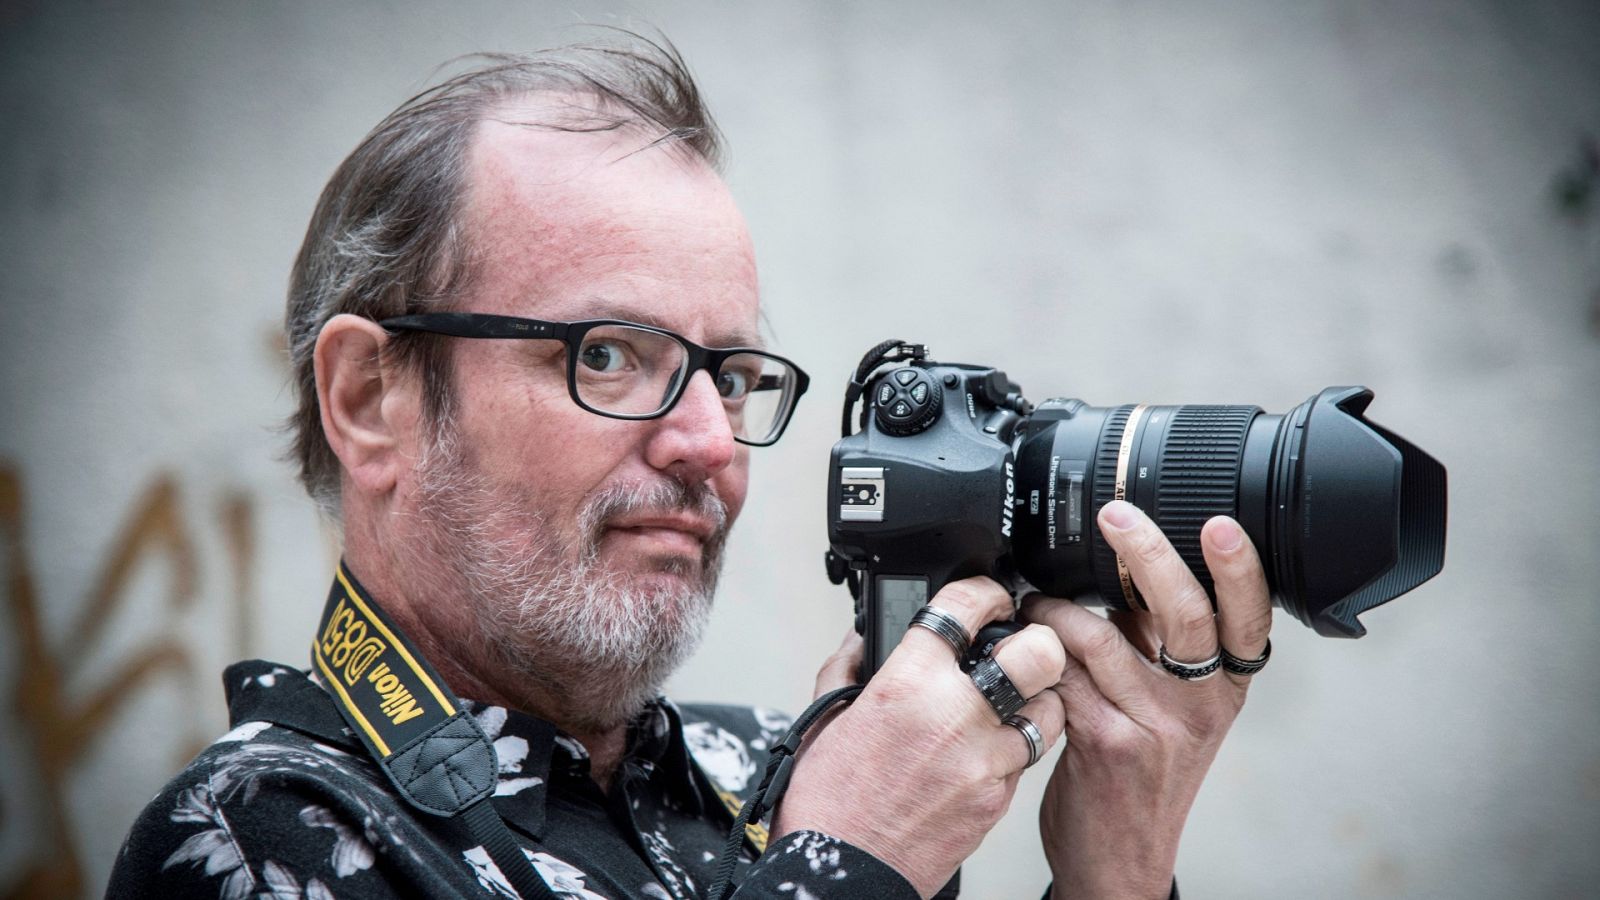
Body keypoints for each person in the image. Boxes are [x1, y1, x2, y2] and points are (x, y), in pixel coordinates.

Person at [108, 34, 1272, 900]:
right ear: (372, 401)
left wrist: (1113, 872)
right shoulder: (258, 837)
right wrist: (840, 867)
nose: (711, 442)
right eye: (608, 355)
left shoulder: (764, 765)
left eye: (730, 372)